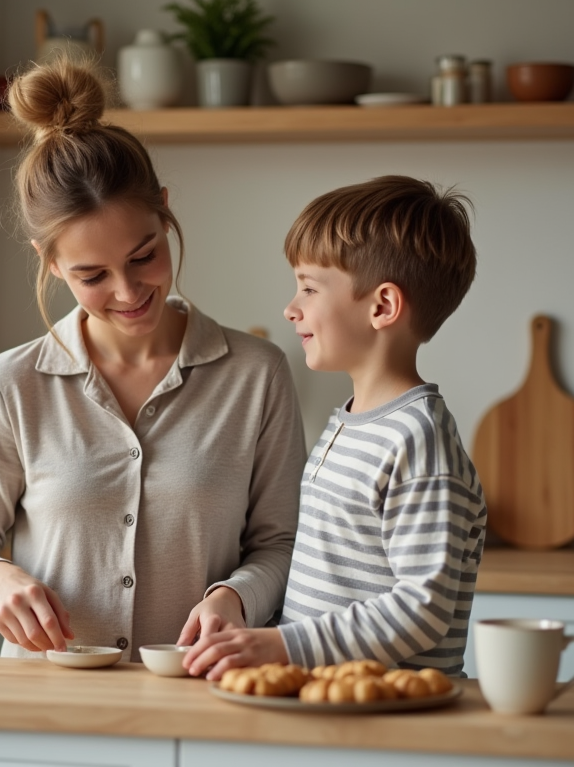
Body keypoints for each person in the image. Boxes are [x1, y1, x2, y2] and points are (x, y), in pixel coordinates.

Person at [0, 58, 305, 662]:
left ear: (163, 210)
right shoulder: (13, 382)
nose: (128, 293)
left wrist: (235, 597)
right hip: (46, 712)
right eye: (91, 274)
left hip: (200, 697)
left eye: (143, 256)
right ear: (49, 262)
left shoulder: (256, 375)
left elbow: (281, 543)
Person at [183, 175, 488, 679]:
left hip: (392, 723)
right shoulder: (349, 423)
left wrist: (281, 647)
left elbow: (423, 608)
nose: (291, 307)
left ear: (382, 306)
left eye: (308, 287)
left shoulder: (419, 442)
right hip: (333, 706)